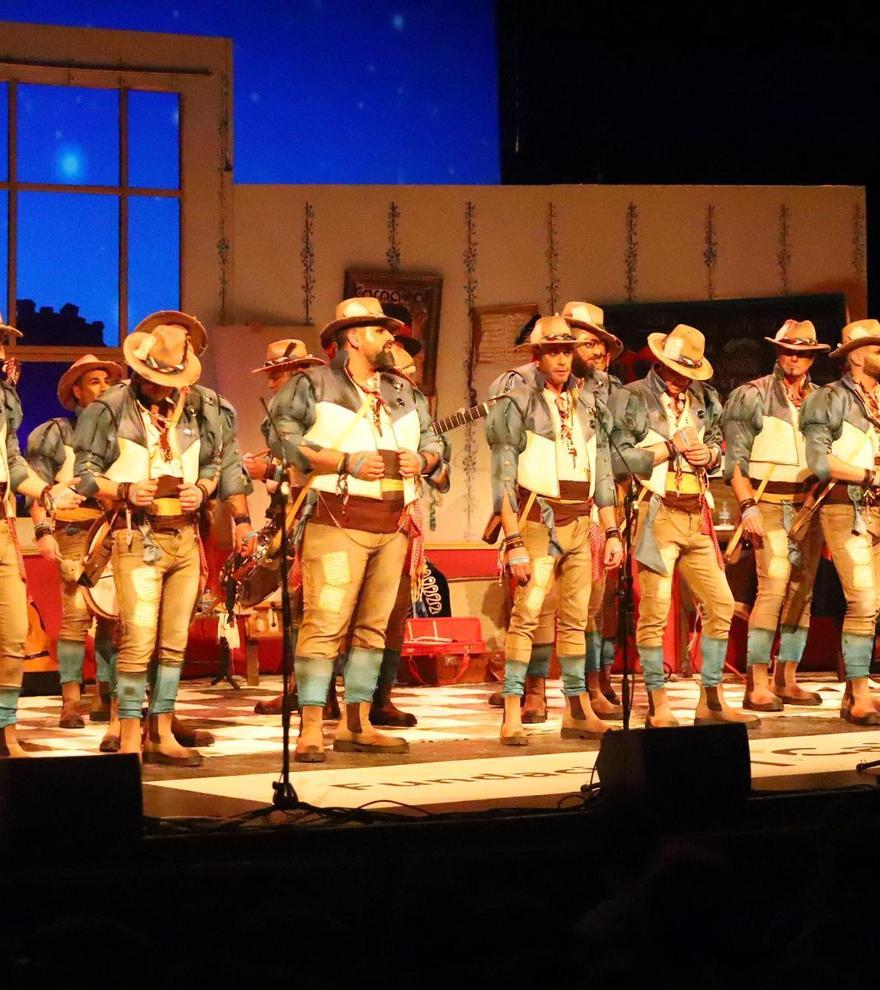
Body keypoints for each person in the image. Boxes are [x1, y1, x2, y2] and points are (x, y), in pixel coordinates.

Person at [265, 296, 444, 762]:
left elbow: (433, 440)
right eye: (381, 331)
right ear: (353, 337)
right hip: (337, 519)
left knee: (373, 629)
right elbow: (281, 438)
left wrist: (422, 460)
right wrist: (345, 460)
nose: (391, 338)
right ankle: (309, 728)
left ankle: (358, 723)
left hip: (393, 524)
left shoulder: (403, 392)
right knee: (324, 625)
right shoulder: (313, 384)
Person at [74, 320, 220, 764]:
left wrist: (206, 489)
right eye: (157, 380)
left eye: (171, 380)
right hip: (136, 533)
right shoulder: (108, 408)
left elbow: (214, 464)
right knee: (137, 638)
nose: (163, 389)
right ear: (139, 371)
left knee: (175, 641)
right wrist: (122, 490)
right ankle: (131, 734)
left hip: (185, 534)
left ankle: (162, 731)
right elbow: (83, 475)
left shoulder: (195, 410)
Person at [485, 315, 623, 745]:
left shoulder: (587, 404)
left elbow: (602, 472)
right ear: (536, 356)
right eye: (553, 351)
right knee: (526, 616)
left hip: (581, 521)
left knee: (577, 619)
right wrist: (512, 542)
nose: (562, 359)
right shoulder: (517, 400)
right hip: (537, 521)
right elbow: (503, 477)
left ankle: (577, 709)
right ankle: (512, 711)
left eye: (567, 350)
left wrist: (612, 530)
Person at [611, 324, 757, 728]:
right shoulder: (632, 397)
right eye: (675, 370)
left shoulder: (705, 398)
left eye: (687, 373)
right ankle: (658, 702)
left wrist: (707, 453)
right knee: (654, 613)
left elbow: (721, 450)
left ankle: (711, 699)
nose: (680, 379)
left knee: (721, 604)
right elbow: (619, 458)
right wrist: (670, 447)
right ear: (660, 362)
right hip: (657, 513)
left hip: (697, 512)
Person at [722, 319, 829, 710]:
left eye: (802, 353)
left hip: (810, 503)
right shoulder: (752, 395)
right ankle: (757, 682)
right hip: (767, 500)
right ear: (777, 352)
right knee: (774, 584)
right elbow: (734, 459)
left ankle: (788, 677)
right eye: (788, 350)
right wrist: (746, 504)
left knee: (803, 590)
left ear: (812, 357)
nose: (794, 359)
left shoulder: (821, 399)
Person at [0, 313, 85, 758]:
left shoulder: (3, 397)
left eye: (2, 342)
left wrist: (46, 492)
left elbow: (13, 464)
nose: (1, 351)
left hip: (1, 522)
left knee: (14, 632)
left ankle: (5, 731)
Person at [27, 355, 123, 730]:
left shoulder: (120, 435)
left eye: (106, 381)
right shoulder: (57, 433)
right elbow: (37, 489)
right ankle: (70, 700)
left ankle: (106, 694)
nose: (102, 388)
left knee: (111, 615)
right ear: (77, 391)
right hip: (72, 532)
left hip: (113, 529)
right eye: (94, 382)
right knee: (75, 615)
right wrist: (43, 532)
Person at [801, 318, 880, 724]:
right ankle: (861, 694)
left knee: (876, 604)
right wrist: (870, 475)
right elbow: (819, 460)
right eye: (877, 347)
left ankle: (856, 692)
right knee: (863, 600)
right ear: (857, 355)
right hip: (846, 507)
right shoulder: (827, 399)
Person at [561, 300, 626, 718]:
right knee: (539, 606)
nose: (595, 352)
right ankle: (530, 689)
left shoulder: (611, 391)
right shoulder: (541, 386)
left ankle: (593, 681)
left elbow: (618, 451)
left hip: (600, 503)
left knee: (596, 602)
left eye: (598, 344)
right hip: (550, 505)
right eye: (586, 343)